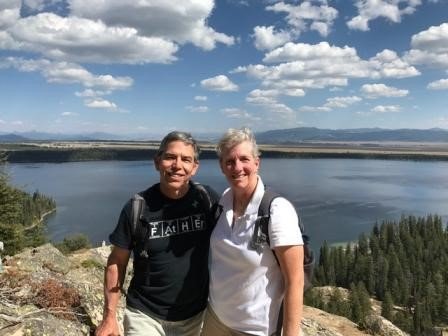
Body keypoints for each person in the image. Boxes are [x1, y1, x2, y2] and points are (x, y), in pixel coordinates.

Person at [96, 131, 218, 336]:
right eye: (170, 157)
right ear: (157, 162)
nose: (177, 165)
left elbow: (236, 240)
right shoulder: (137, 207)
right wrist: (109, 316)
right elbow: (117, 261)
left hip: (194, 317)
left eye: (186, 159)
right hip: (145, 315)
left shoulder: (207, 200)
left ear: (194, 167)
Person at [202, 127, 304, 336]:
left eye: (244, 159)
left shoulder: (276, 210)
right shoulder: (223, 202)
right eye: (229, 161)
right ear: (222, 167)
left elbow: (295, 279)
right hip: (215, 319)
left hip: (255, 329)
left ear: (257, 163)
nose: (237, 167)